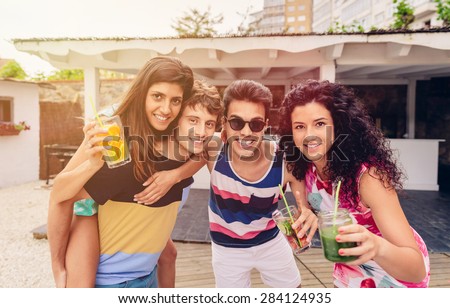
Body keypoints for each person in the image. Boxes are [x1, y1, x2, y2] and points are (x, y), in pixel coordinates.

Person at [48, 57, 220, 288]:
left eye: (175, 100)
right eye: (158, 96)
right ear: (143, 93)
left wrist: (175, 175)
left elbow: (209, 146)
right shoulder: (113, 128)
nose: (166, 108)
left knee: (168, 254)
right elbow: (60, 193)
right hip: (90, 212)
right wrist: (58, 267)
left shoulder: (176, 134)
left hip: (135, 236)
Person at [278, 79, 430, 288]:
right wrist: (309, 215)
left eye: (320, 124)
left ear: (339, 125)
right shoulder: (306, 168)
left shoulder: (369, 178)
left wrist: (376, 246)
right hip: (348, 274)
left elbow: (416, 270)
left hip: (393, 278)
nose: (309, 134)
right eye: (299, 126)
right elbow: (322, 205)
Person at [200, 80, 317, 288]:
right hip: (227, 248)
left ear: (265, 125)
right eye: (236, 123)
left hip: (270, 241)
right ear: (224, 123)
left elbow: (303, 207)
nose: (246, 132)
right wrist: (172, 176)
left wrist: (305, 215)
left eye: (255, 124)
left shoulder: (285, 161)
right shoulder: (212, 150)